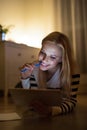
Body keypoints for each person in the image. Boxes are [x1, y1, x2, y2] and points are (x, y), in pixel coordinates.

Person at [20, 31, 80, 116]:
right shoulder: (34, 69)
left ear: (61, 59)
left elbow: (71, 101)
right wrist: (25, 78)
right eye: (43, 52)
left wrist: (51, 110)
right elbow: (33, 99)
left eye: (52, 57)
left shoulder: (72, 71)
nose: (44, 59)